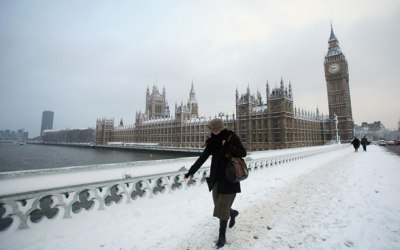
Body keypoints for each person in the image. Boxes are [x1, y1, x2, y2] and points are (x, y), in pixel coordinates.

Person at [184, 118, 246, 248]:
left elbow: (243, 153)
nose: (215, 132)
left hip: (230, 177)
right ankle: (232, 213)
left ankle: (221, 236)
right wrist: (190, 172)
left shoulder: (231, 136)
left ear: (222, 128)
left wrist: (228, 146)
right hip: (216, 177)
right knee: (218, 205)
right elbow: (202, 158)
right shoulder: (211, 141)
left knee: (222, 207)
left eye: (217, 130)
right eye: (213, 131)